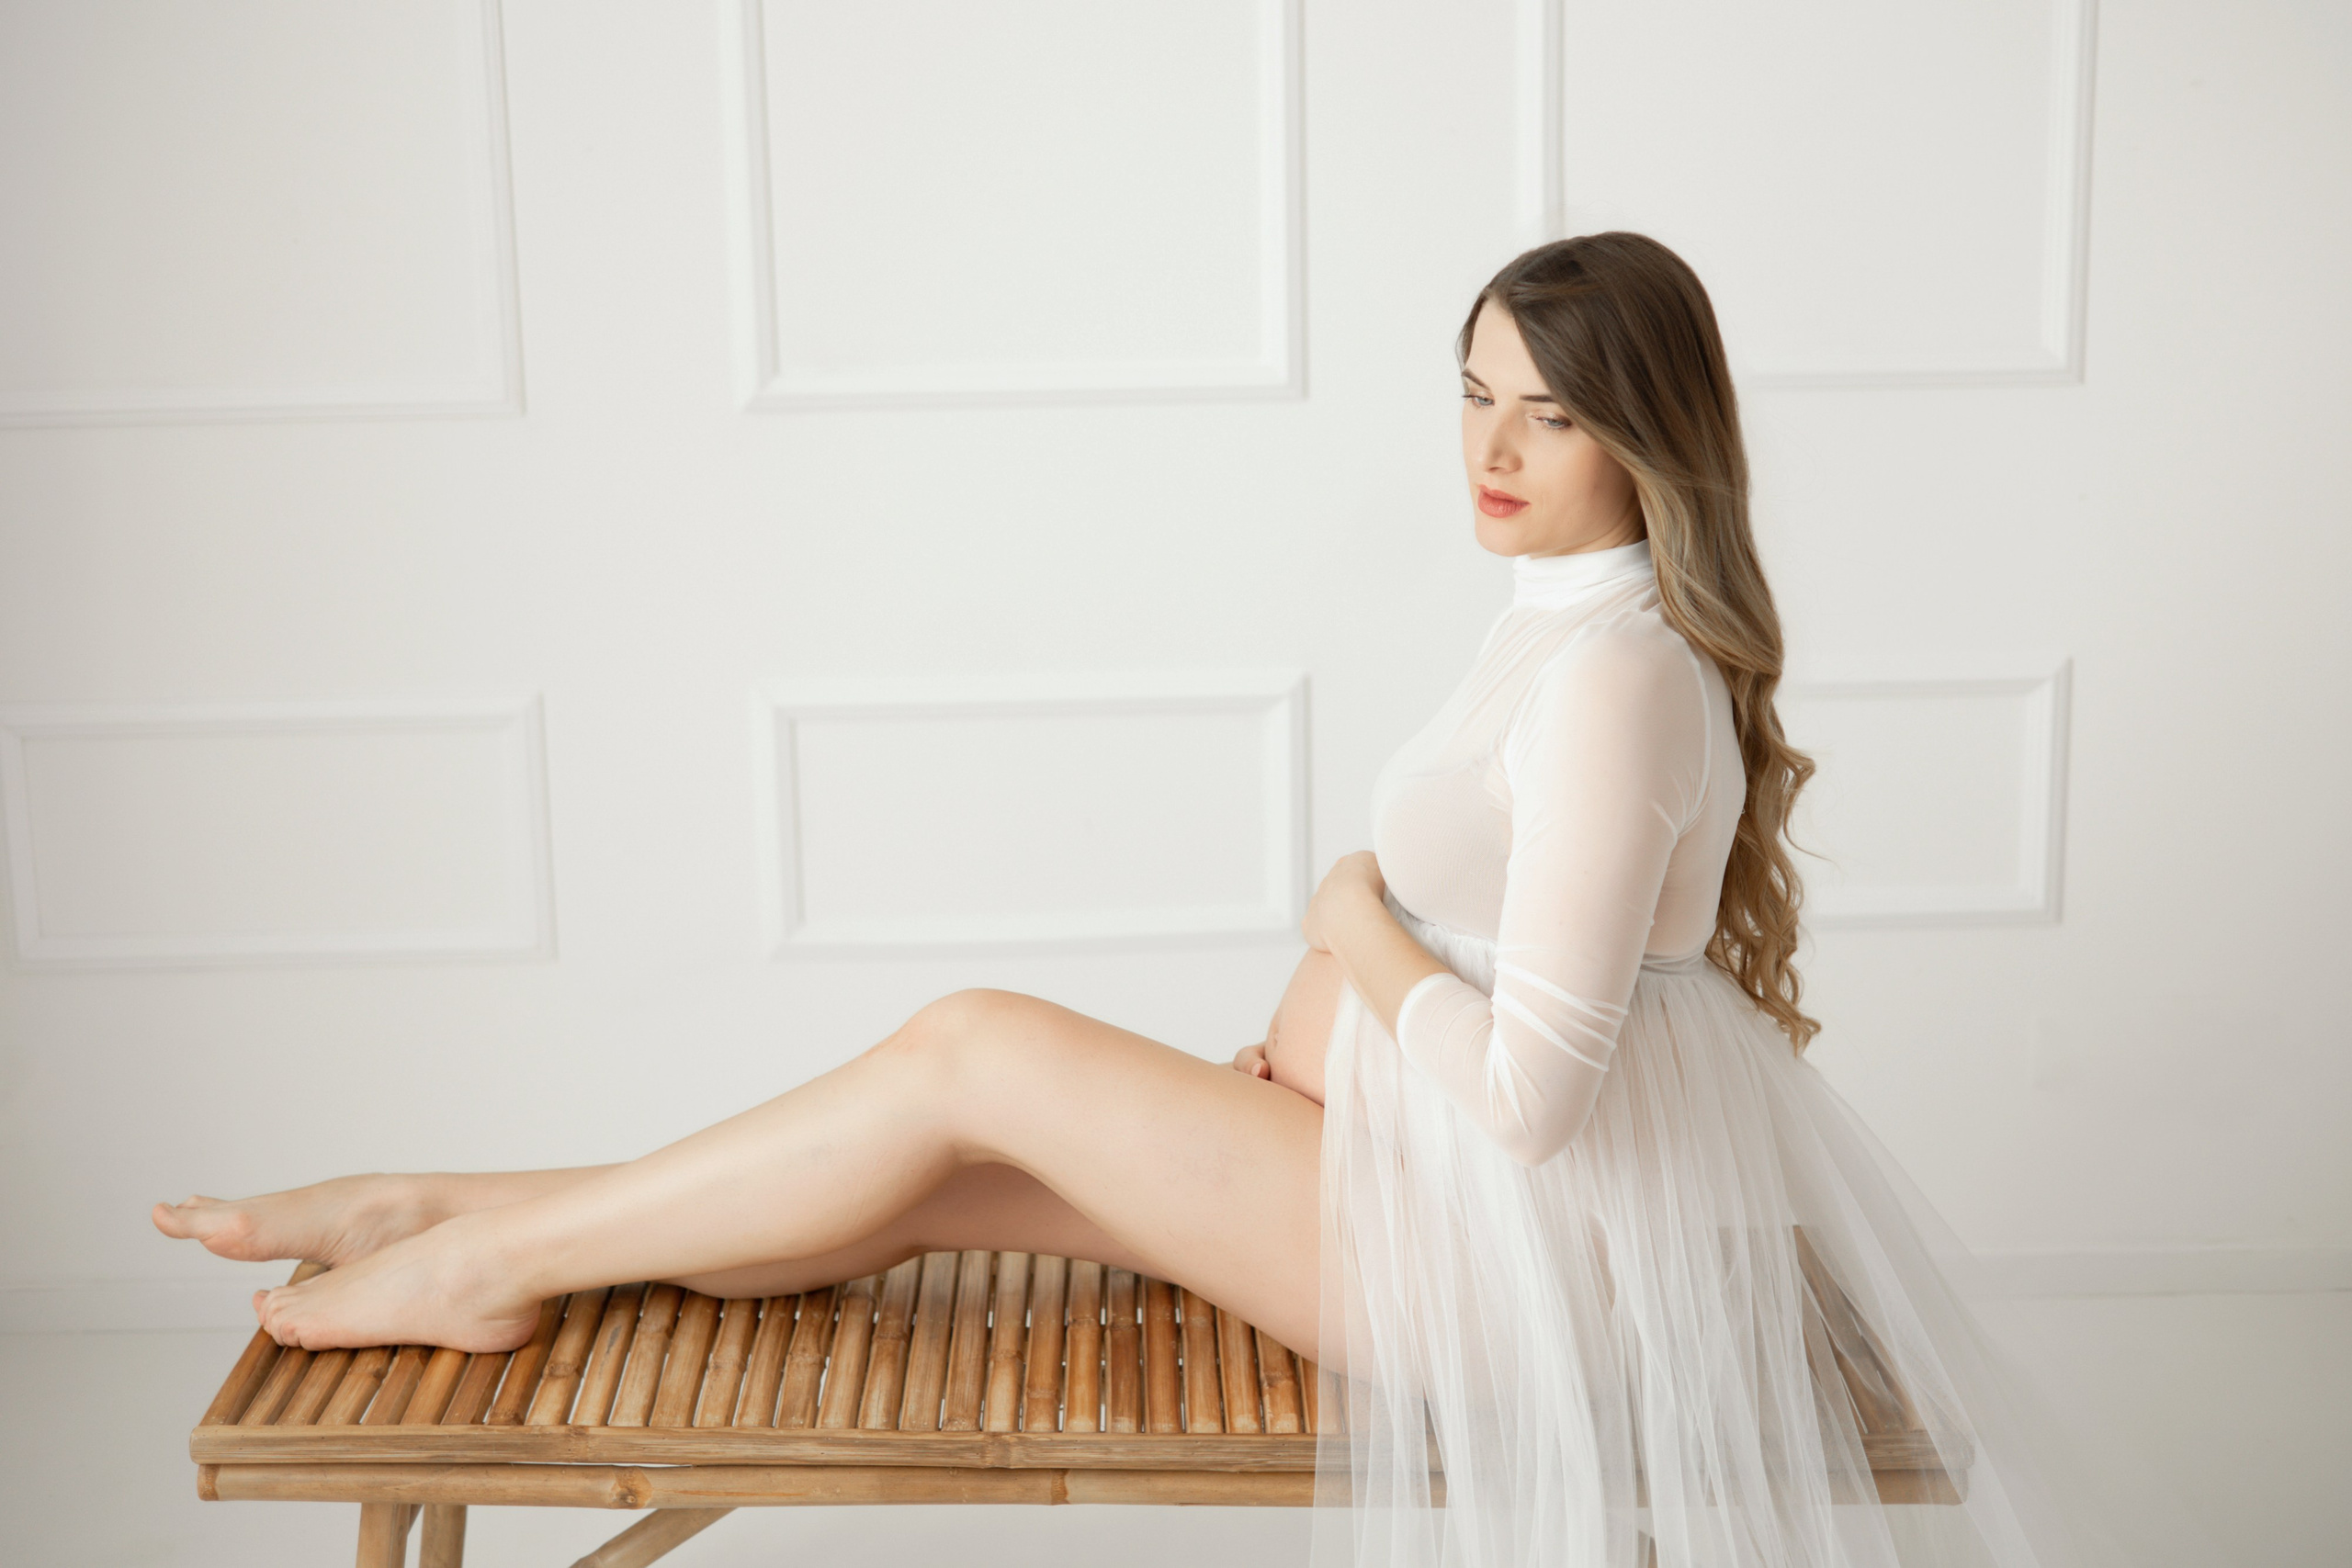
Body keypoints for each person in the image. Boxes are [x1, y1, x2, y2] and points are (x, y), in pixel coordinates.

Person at [156, 233, 2113, 1567]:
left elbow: (1534, 1098)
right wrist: (1312, 1030)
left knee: (970, 1047)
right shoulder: (1568, 631)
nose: (1490, 450)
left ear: (1647, 436)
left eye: (1549, 416)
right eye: (1472, 395)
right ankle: (470, 1215)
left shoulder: (1614, 678)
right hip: (1383, 1174)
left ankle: (475, 1254)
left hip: (1497, 1275)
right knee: (906, 1174)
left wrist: (1345, 928)